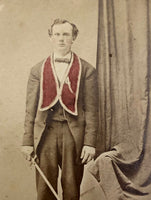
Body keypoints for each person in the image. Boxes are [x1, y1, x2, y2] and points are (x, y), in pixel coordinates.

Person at [21, 18, 98, 200]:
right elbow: (30, 110)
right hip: (45, 133)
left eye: (66, 34)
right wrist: (27, 142)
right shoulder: (37, 70)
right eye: (57, 34)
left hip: (73, 134)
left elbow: (93, 110)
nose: (61, 39)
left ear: (73, 38)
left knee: (72, 187)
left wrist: (90, 143)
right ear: (51, 37)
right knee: (44, 188)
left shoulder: (87, 70)